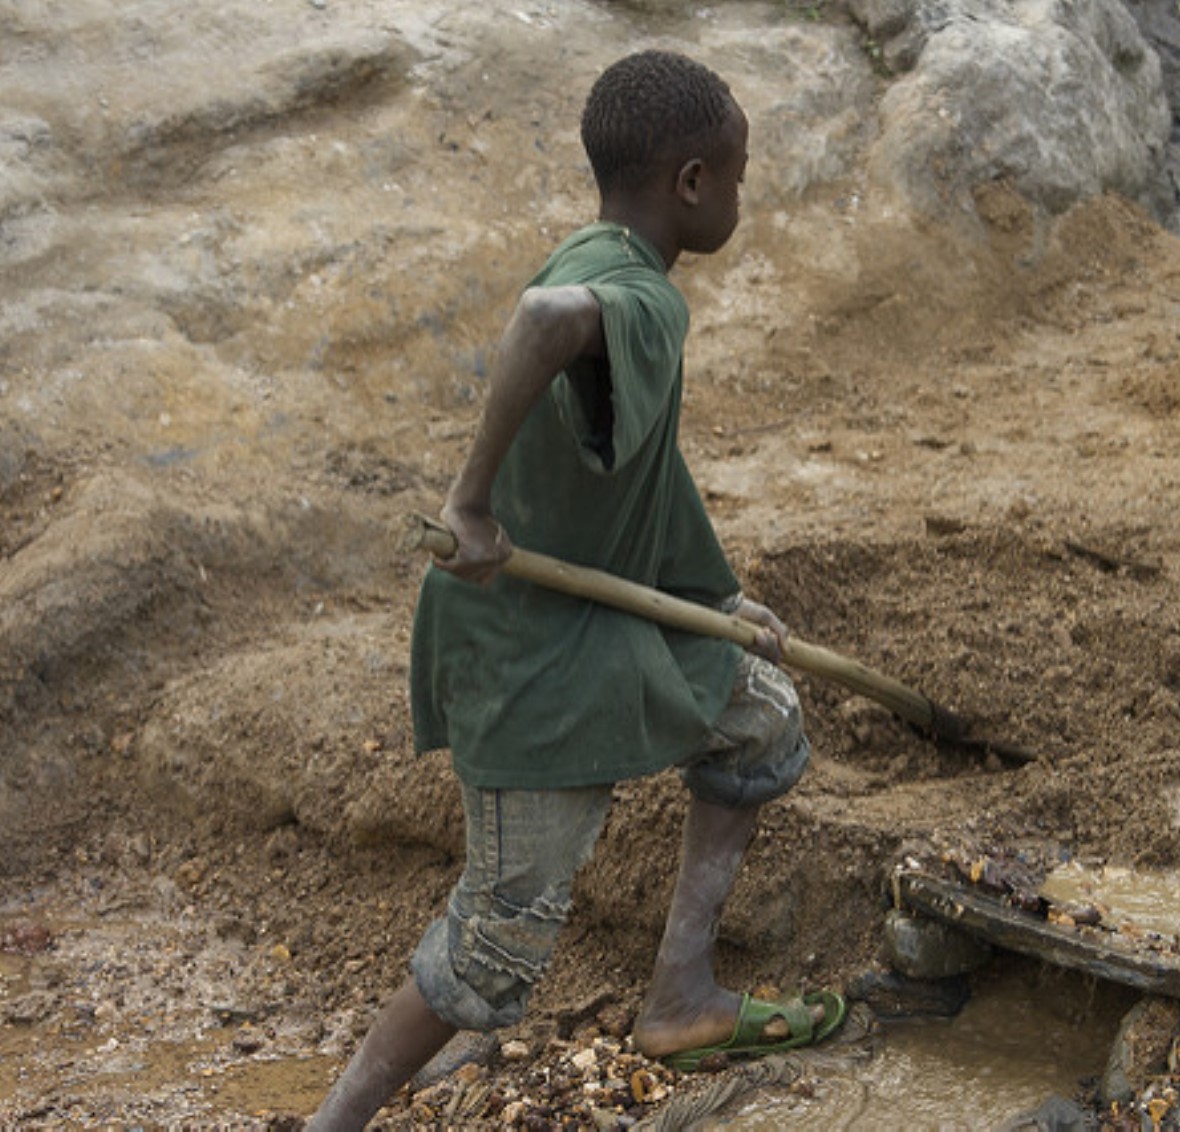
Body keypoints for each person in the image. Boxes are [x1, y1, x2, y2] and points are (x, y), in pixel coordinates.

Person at [308, 50, 844, 1130]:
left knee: (759, 724)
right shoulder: (634, 295)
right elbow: (544, 317)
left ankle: (680, 994)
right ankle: (338, 1116)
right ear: (693, 183)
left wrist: (715, 595)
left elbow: (639, 473)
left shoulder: (610, 259)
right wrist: (467, 503)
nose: (742, 194)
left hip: (600, 621)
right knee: (499, 939)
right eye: (737, 174)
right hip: (535, 660)